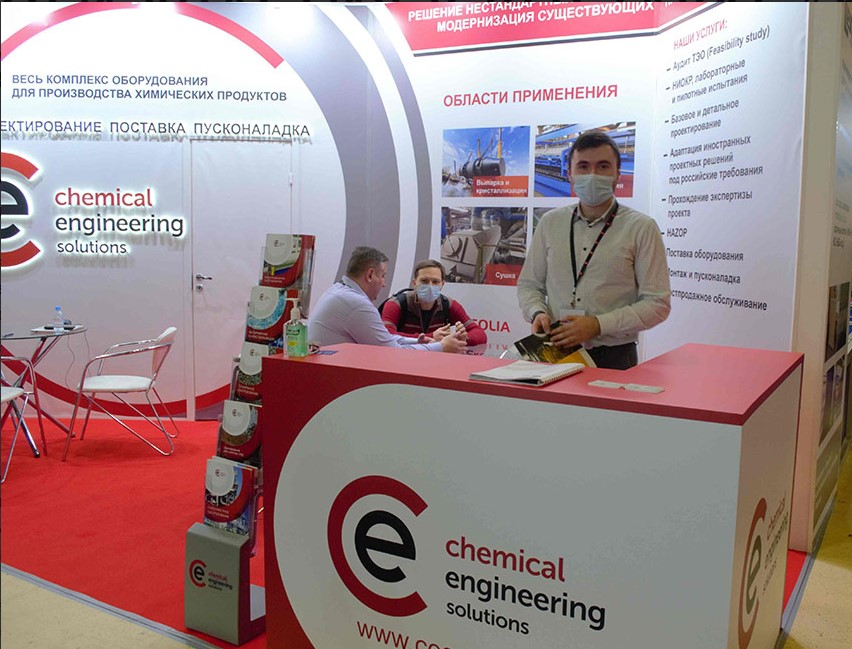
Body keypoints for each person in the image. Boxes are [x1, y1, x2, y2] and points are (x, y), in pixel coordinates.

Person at [517, 130, 670, 369]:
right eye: (583, 166)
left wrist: (598, 324)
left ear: (617, 174)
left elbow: (657, 304)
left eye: (603, 166)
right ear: (569, 173)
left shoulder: (642, 228)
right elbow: (529, 284)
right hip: (556, 349)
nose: (592, 175)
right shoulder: (550, 223)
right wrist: (537, 312)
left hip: (614, 357)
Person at [308, 246, 467, 353]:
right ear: (370, 275)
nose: (384, 284)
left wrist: (418, 341)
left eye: (435, 282)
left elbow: (385, 337)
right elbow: (390, 352)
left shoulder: (339, 291)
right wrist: (441, 347)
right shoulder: (357, 304)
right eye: (383, 275)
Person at [381, 259, 488, 347]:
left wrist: (464, 338)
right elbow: (385, 335)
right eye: (424, 281)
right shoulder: (396, 304)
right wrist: (431, 337)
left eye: (435, 282)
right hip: (402, 359)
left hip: (437, 361)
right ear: (414, 283)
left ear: (442, 284)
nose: (430, 286)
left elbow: (480, 334)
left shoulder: (449, 305)